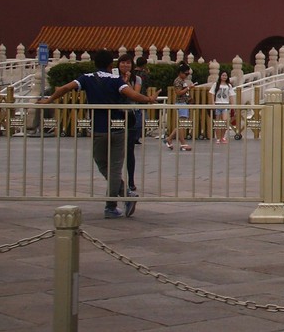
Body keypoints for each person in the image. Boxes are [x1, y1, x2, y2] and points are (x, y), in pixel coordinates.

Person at [40, 49, 153, 218]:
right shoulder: (116, 80)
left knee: (102, 163)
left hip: (99, 129)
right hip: (117, 128)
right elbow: (133, 95)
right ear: (110, 65)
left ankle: (114, 204)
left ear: (94, 63)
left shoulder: (87, 78)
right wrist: (149, 99)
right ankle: (122, 197)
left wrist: (48, 100)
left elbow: (65, 88)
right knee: (114, 168)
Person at [118, 52, 143, 194]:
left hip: (131, 115)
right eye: (123, 62)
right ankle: (117, 180)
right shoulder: (114, 77)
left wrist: (126, 82)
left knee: (129, 150)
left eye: (128, 63)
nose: (125, 65)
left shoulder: (137, 79)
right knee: (115, 150)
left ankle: (131, 180)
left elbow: (135, 94)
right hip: (116, 115)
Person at [165, 62, 194, 151]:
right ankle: (182, 143)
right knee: (181, 124)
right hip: (180, 103)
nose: (187, 75)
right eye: (186, 73)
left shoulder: (183, 81)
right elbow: (178, 93)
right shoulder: (177, 81)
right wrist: (188, 88)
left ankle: (169, 139)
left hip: (184, 103)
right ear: (180, 72)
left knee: (181, 124)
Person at [212, 69, 233, 144]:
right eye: (223, 75)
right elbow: (212, 93)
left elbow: (231, 95)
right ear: (220, 76)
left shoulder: (229, 85)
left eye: (226, 76)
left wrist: (232, 105)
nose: (224, 77)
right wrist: (213, 103)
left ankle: (223, 137)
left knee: (225, 121)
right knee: (218, 122)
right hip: (217, 104)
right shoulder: (216, 84)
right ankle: (218, 138)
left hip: (225, 104)